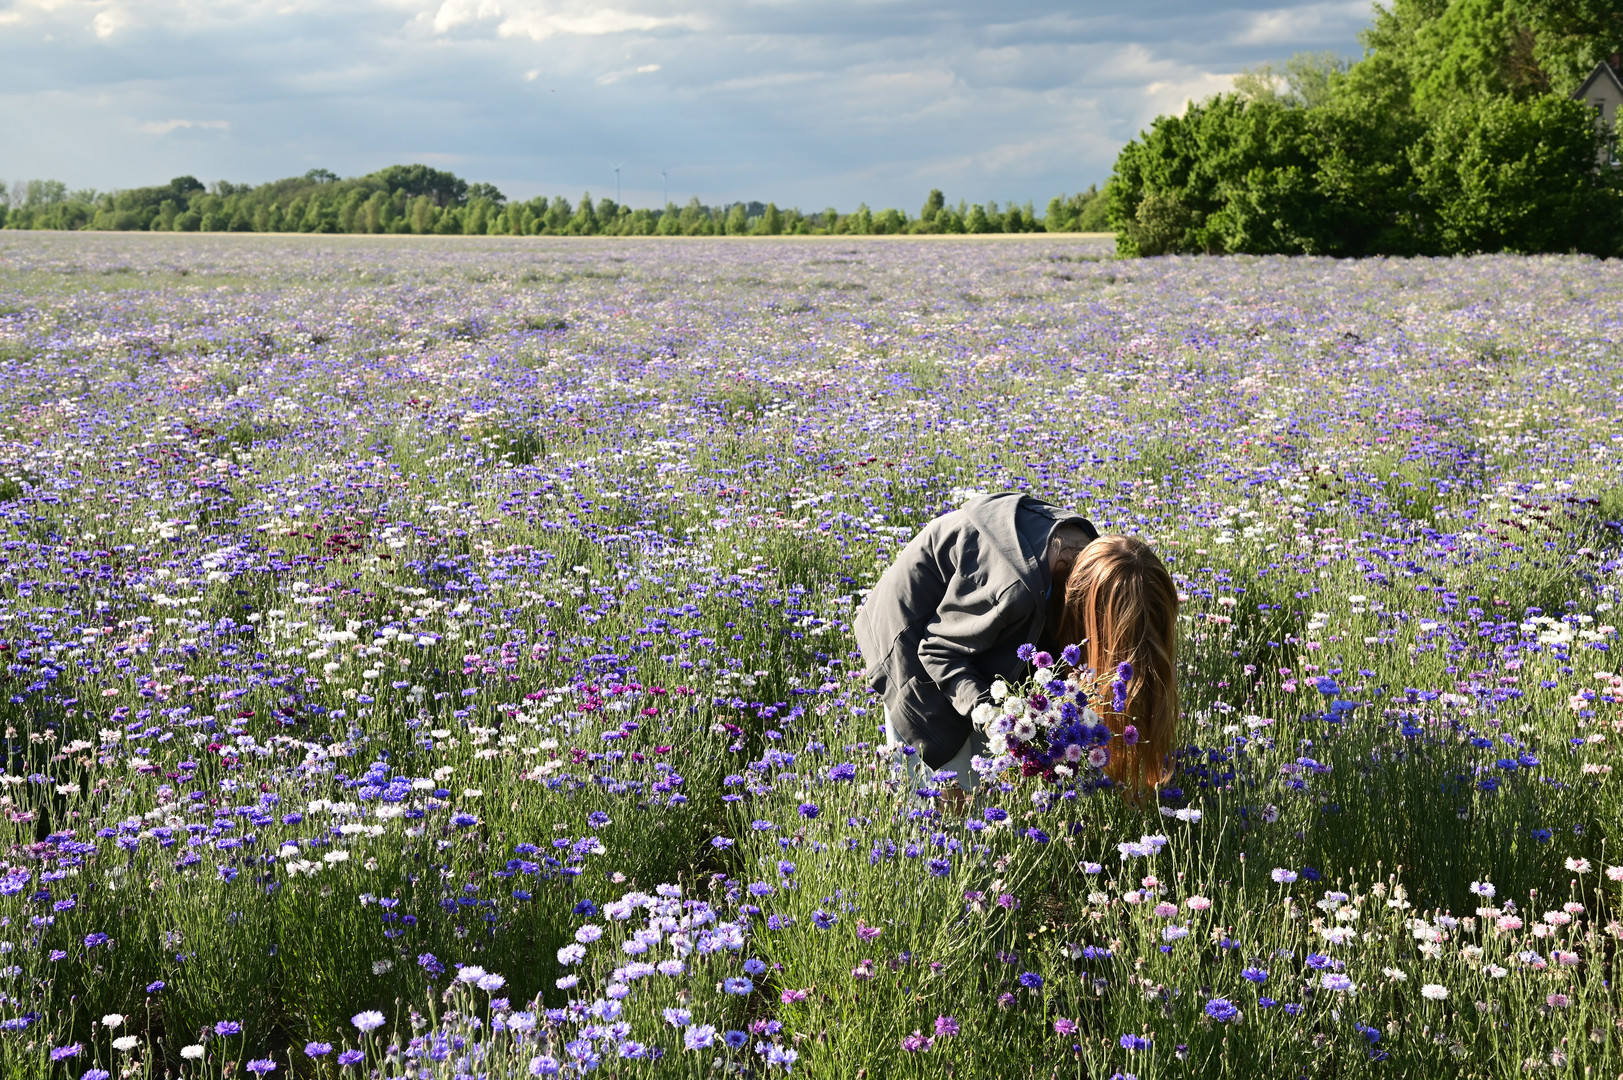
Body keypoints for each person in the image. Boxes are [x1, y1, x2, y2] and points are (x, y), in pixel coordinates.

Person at [854, 492, 1178, 795]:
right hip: (909, 643)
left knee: (988, 779)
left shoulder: (1093, 562)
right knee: (947, 795)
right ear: (1084, 607)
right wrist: (1004, 723)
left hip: (969, 631)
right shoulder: (1015, 588)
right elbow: (938, 653)